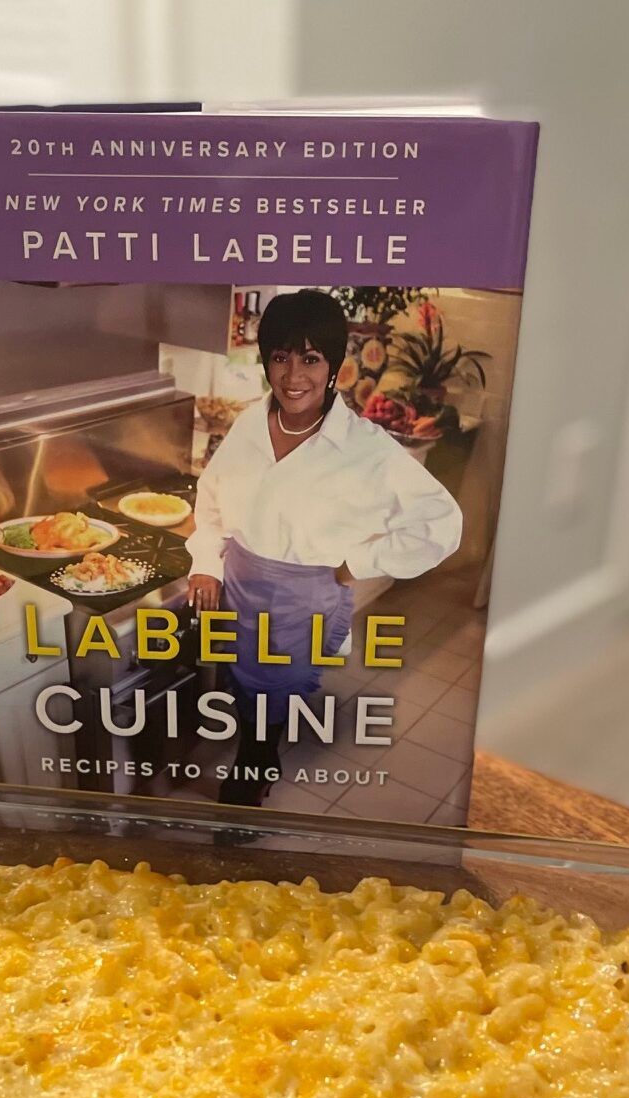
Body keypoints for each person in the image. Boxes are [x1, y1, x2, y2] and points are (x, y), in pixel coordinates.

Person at [186, 288, 464, 807]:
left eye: (310, 359)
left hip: (303, 594)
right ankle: (258, 749)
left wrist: (360, 562)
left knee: (271, 691)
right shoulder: (250, 421)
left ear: (334, 365)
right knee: (241, 682)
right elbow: (213, 497)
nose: (294, 377)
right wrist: (206, 563)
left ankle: (254, 765)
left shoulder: (366, 449)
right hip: (241, 582)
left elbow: (441, 523)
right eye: (281, 357)